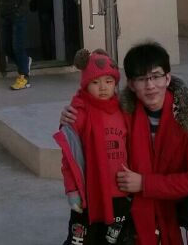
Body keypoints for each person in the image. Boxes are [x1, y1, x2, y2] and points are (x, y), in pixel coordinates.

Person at [63, 41, 188, 245]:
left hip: (178, 195)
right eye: (141, 79)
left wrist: (145, 183)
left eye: (156, 76)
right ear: (131, 84)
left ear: (167, 78)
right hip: (135, 199)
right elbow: (91, 108)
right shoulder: (121, 112)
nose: (150, 86)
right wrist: (72, 116)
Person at [55, 49, 132, 245]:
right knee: (81, 239)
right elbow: (69, 158)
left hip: (119, 192)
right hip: (88, 194)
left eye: (109, 81)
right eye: (95, 82)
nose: (103, 87)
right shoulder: (78, 114)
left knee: (111, 240)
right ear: (85, 84)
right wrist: (72, 190)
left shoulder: (124, 110)